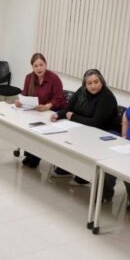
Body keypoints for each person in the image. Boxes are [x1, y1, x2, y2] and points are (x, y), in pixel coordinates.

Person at [51, 68, 118, 201]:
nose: (93, 86)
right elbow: (68, 109)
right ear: (85, 84)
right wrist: (58, 115)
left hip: (103, 133)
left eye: (96, 82)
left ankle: (91, 182)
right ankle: (68, 169)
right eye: (89, 83)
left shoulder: (106, 97)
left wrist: (73, 117)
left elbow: (96, 122)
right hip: (82, 128)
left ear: (102, 82)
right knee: (65, 139)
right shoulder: (82, 91)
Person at [14, 53, 65, 168]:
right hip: (35, 112)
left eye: (41, 65)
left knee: (38, 129)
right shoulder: (29, 78)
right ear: (32, 67)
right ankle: (31, 153)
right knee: (26, 126)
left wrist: (48, 106)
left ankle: (35, 156)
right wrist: (19, 101)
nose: (39, 68)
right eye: (35, 66)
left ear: (46, 65)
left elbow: (59, 98)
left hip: (52, 113)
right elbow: (24, 94)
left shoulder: (54, 78)